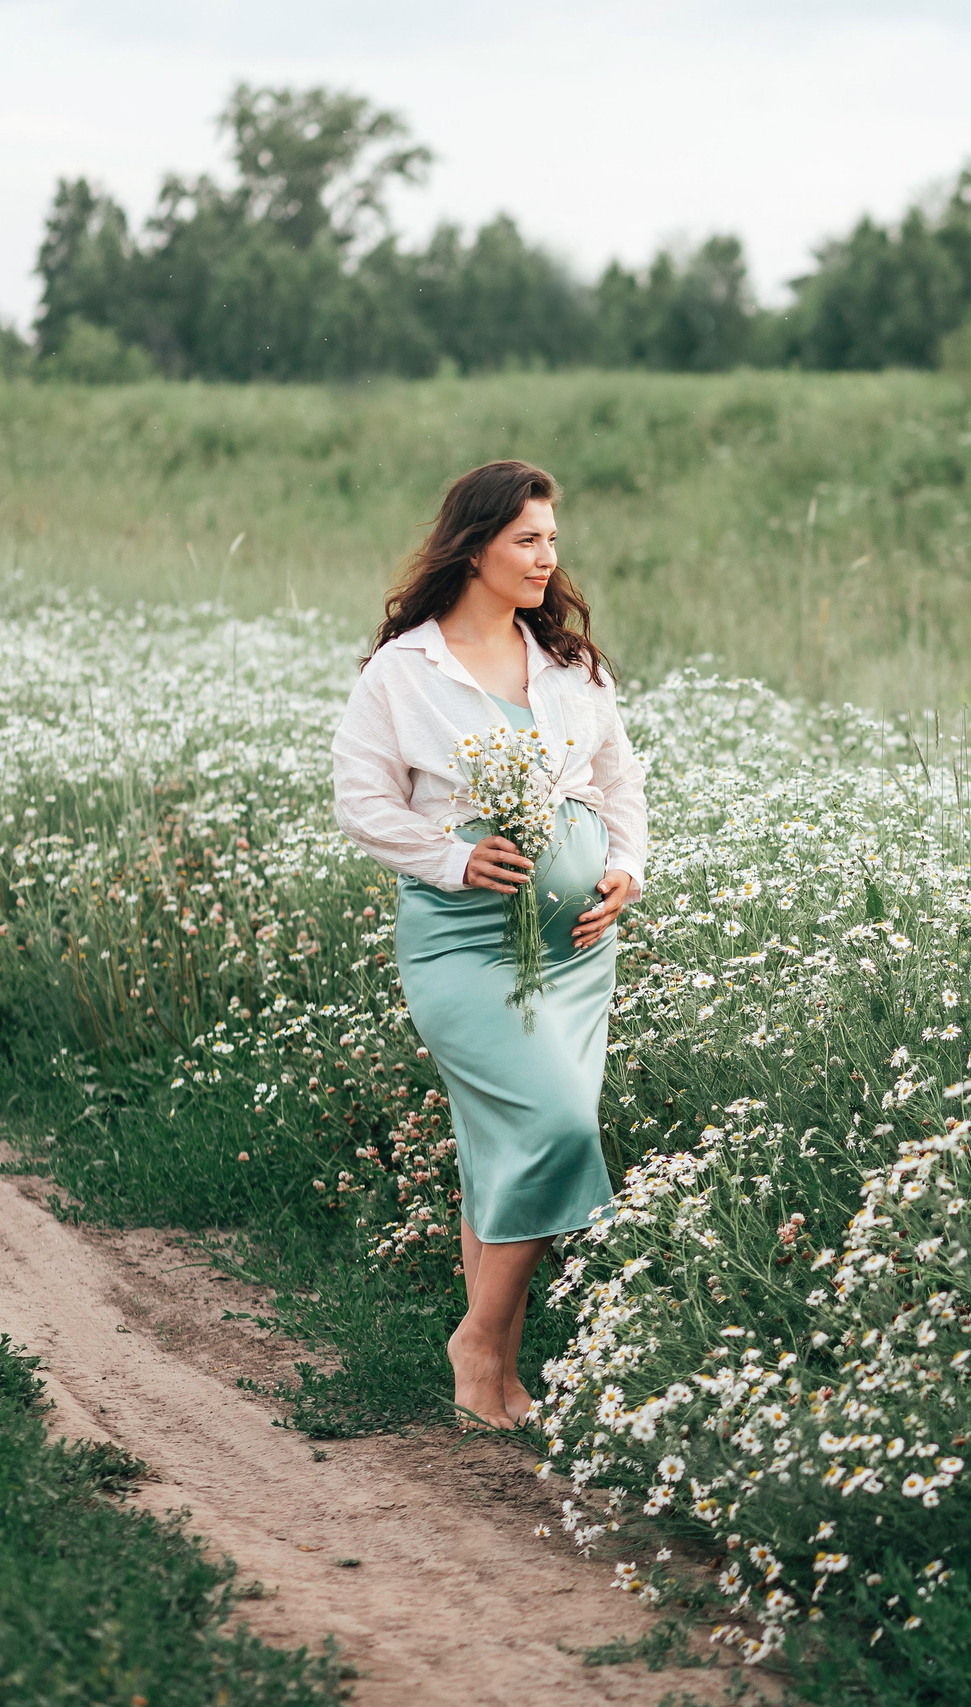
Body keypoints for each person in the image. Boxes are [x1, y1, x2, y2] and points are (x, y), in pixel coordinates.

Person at [329, 460, 647, 1428]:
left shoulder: (569, 666)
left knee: (503, 1149)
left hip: (578, 952)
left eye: (552, 540)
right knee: (555, 1128)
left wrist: (626, 872)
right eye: (528, 540)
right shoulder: (403, 671)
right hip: (462, 945)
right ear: (473, 546)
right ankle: (475, 1342)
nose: (548, 558)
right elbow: (363, 806)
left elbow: (619, 784)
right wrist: (451, 860)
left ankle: (495, 1383)